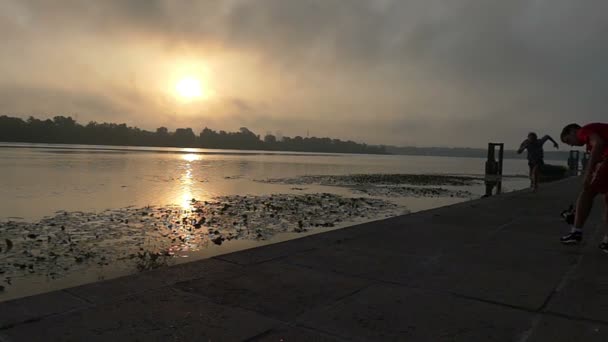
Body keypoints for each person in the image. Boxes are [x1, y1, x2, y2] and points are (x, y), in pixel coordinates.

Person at [560, 123, 608, 253]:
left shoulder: (583, 131)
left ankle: (576, 232)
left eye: (568, 140)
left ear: (572, 130)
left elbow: (598, 143)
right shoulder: (597, 132)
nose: (571, 145)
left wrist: (588, 172)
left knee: (588, 190)